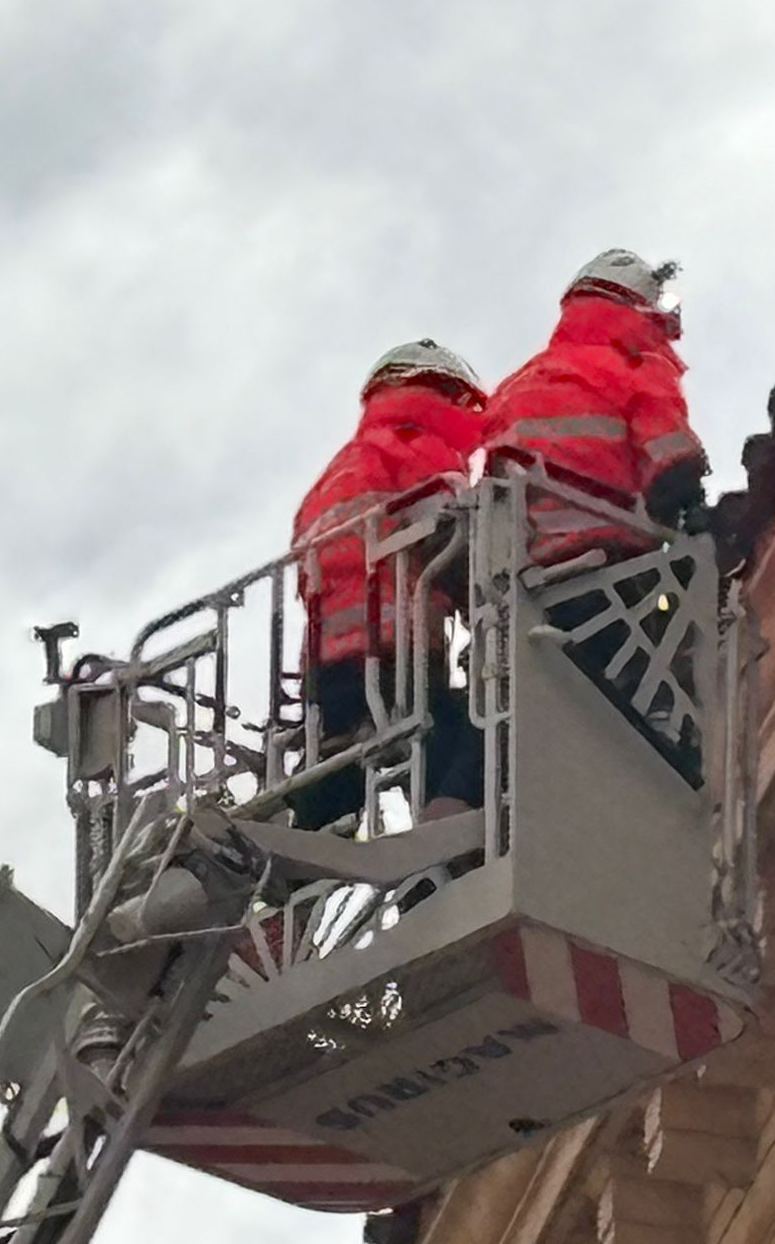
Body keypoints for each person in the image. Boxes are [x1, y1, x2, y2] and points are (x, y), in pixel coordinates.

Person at [287, 339, 486, 830]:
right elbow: (450, 535)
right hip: (397, 651)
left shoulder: (337, 470)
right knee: (477, 729)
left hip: (327, 665)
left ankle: (286, 877)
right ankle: (449, 834)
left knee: (340, 763)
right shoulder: (420, 448)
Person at [480, 249, 709, 566]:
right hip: (615, 550)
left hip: (533, 565)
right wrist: (692, 511)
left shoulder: (516, 383)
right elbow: (669, 455)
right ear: (640, 304)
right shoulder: (635, 364)